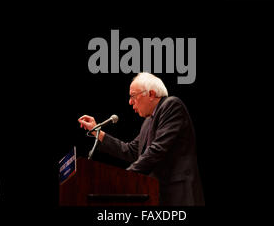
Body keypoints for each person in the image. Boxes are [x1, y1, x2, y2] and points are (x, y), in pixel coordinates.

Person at [78, 72, 205, 206]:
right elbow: (131, 151)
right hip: (158, 195)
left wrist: (123, 177)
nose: (130, 101)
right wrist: (97, 132)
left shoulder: (171, 105)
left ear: (151, 94)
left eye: (133, 96)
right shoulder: (147, 122)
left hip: (178, 195)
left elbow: (157, 150)